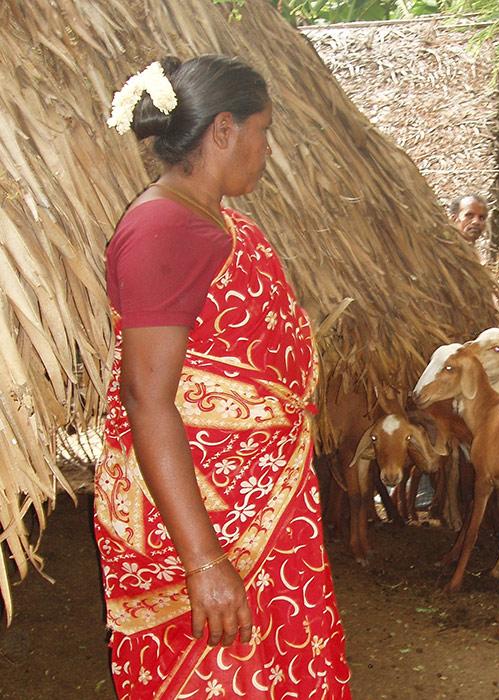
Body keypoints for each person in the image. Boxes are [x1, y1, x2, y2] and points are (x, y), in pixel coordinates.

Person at [96, 55, 351, 699]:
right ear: (223, 130)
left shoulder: (213, 221)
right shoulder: (164, 227)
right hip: (206, 524)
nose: (268, 150)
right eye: (264, 131)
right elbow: (146, 401)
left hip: (256, 514)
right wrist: (205, 562)